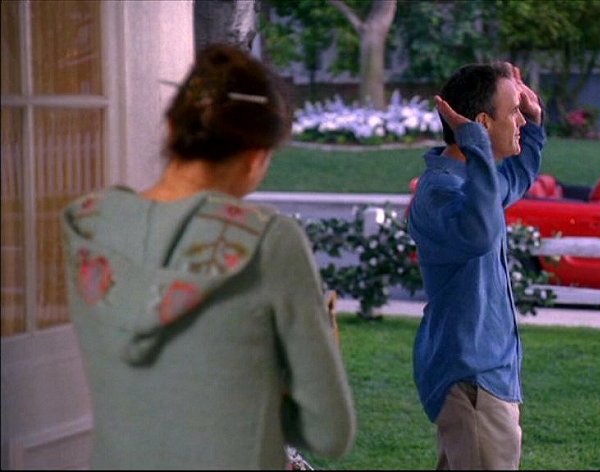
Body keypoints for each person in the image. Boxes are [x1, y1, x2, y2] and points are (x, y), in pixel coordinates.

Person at [61, 43, 355, 469]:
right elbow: (330, 432)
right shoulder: (271, 242)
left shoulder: (90, 226)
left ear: (170, 130)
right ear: (257, 157)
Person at [407, 62, 545, 469]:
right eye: (514, 112)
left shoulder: (473, 183)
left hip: (486, 377)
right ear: (482, 124)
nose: (520, 120)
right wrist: (478, 146)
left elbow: (515, 178)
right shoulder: (442, 194)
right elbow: (480, 233)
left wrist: (536, 124)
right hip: (471, 379)